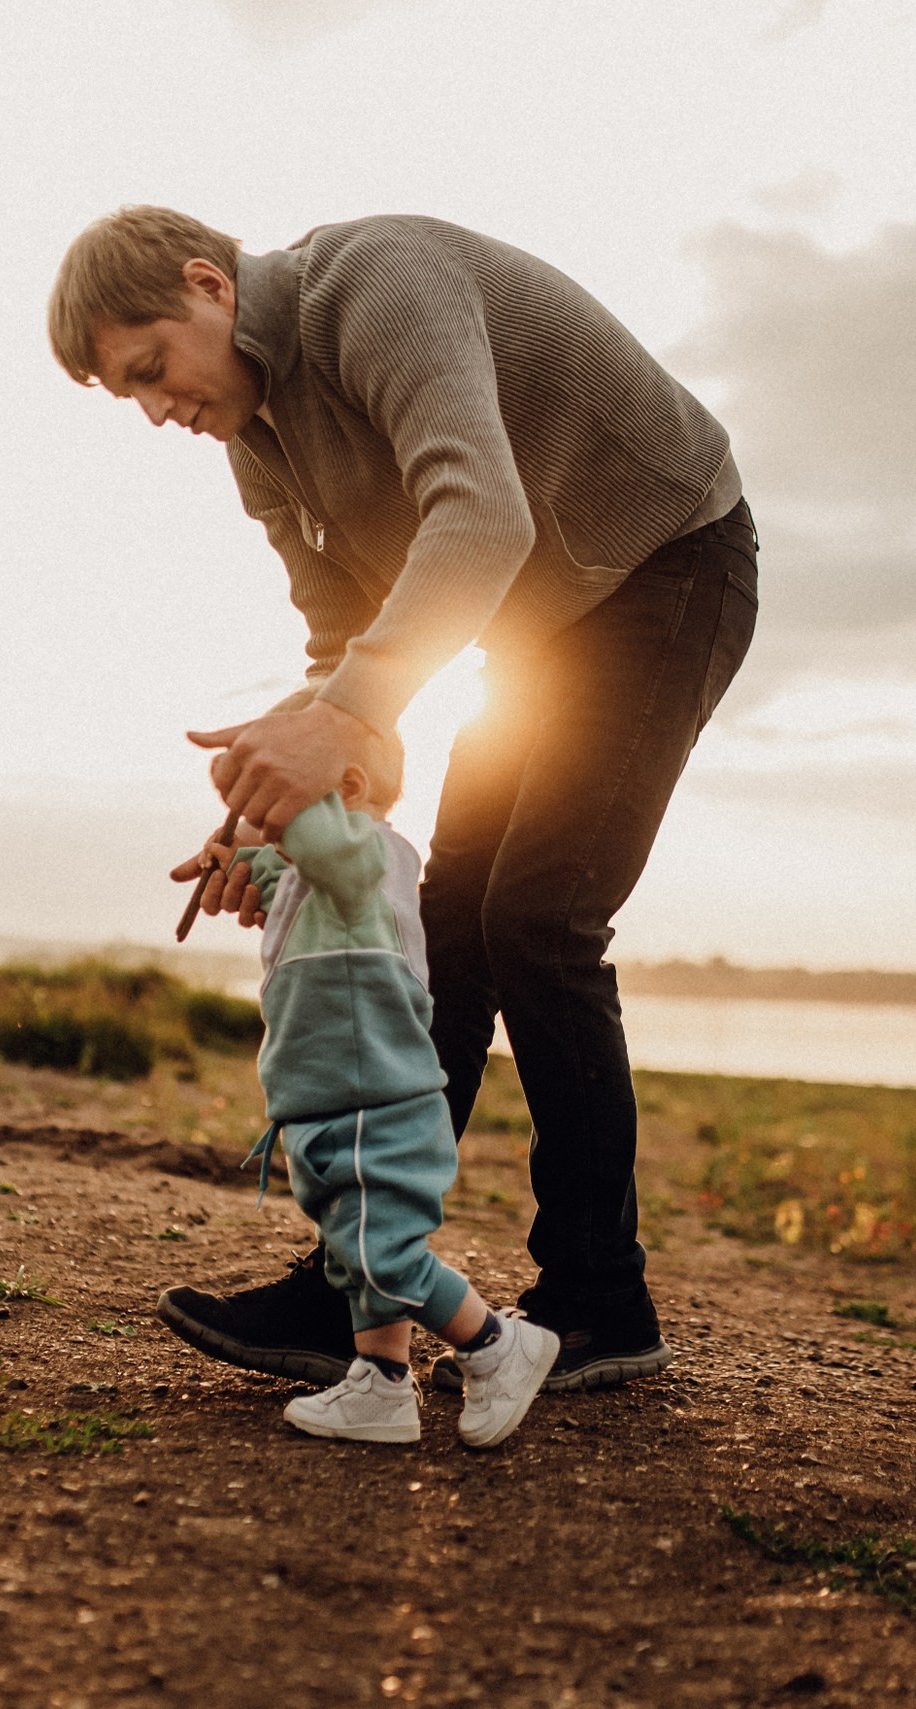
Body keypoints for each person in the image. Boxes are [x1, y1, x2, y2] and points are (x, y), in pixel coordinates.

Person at [49, 207, 757, 1393]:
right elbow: (346, 651)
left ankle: (601, 1296)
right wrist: (273, 814)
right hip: (535, 627)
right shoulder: (257, 444)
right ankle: (355, 1285)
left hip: (664, 563)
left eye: (151, 368)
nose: (158, 408)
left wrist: (335, 719)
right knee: (447, 924)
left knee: (540, 916)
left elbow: (483, 512)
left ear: (207, 285)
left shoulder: (377, 286)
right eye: (131, 395)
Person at [207, 722, 557, 1445]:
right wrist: (232, 856)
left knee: (382, 1253)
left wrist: (236, 777)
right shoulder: (325, 875)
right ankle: (382, 1384)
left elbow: (323, 849)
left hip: (373, 1099)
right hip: (336, 1099)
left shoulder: (368, 854)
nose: (268, 807)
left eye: (283, 792)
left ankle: (497, 1343)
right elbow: (283, 873)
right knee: (356, 1243)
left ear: (349, 790)